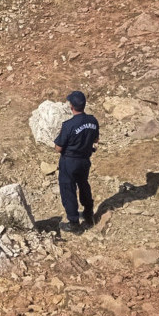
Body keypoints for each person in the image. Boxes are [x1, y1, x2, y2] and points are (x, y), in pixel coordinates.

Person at [53, 91, 100, 234]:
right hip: (85, 160)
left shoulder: (68, 125)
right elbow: (96, 140)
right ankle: (88, 212)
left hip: (69, 161)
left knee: (68, 190)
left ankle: (74, 223)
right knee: (84, 184)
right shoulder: (93, 121)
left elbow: (58, 148)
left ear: (71, 106)